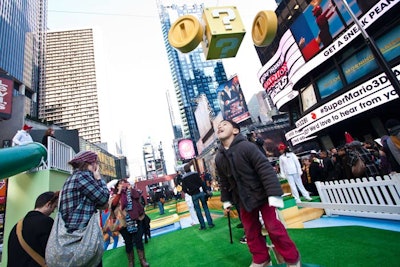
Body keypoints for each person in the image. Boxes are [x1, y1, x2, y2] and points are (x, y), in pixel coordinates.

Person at [215, 120, 301, 267]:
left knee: (273, 226)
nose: (220, 126)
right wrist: (226, 200)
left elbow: (264, 169)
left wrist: (273, 194)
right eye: (219, 126)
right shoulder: (219, 157)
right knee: (250, 231)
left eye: (225, 124)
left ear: (235, 131)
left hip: (263, 195)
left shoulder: (247, 147)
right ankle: (261, 259)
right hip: (243, 200)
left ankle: (292, 259)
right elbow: (223, 181)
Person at [59, 151, 110, 267]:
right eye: (96, 163)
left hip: (71, 238)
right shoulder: (83, 176)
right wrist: (98, 179)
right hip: (84, 237)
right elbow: (104, 198)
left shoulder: (70, 179)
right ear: (91, 164)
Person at [8, 191, 59, 267]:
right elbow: (52, 253)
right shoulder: (46, 222)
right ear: (48, 204)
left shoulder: (17, 226)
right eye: (54, 207)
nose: (53, 211)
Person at [110, 179, 150, 267]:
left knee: (138, 240)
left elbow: (137, 196)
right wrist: (120, 192)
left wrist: (130, 189)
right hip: (123, 222)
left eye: (124, 183)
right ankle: (131, 262)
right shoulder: (115, 195)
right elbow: (113, 205)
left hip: (136, 219)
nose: (122, 185)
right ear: (117, 186)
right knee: (128, 242)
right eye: (120, 184)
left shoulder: (132, 192)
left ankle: (142, 260)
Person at [181, 163, 215, 230]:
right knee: (205, 207)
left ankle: (203, 226)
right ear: (190, 168)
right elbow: (201, 183)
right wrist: (206, 191)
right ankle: (210, 223)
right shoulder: (195, 174)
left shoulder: (184, 178)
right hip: (200, 192)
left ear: (184, 170)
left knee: (198, 210)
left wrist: (190, 193)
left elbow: (184, 189)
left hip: (193, 194)